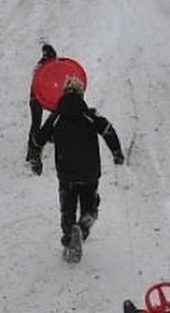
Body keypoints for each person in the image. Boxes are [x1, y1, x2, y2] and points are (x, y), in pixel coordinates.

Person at [27, 77, 124, 261]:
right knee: (91, 207)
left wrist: (35, 160)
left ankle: (69, 241)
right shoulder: (89, 114)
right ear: (81, 93)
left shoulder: (56, 117)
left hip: (66, 173)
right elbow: (108, 130)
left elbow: (38, 139)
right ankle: (83, 227)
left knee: (67, 210)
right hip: (89, 172)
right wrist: (117, 153)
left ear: (64, 92)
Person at [26, 44, 58, 162]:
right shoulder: (47, 67)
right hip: (40, 97)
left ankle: (32, 150)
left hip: (35, 98)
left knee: (36, 123)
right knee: (56, 115)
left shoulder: (40, 66)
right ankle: (49, 137)